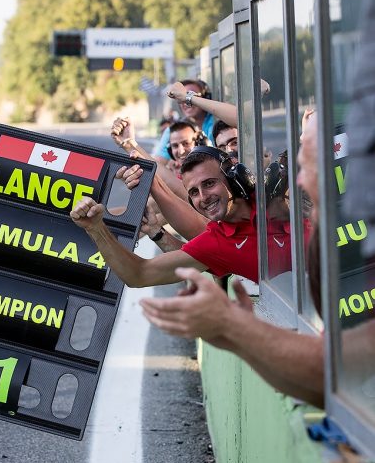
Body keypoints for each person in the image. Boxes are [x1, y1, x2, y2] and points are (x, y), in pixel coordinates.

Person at [138, 109, 328, 406]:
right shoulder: (222, 232)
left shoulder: (280, 192)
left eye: (239, 144)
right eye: (226, 145)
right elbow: (193, 235)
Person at [70, 144, 293, 286]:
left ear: (235, 178)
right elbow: (139, 274)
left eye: (210, 183)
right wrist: (96, 228)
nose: (203, 197)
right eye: (194, 192)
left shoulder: (274, 192)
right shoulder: (216, 242)